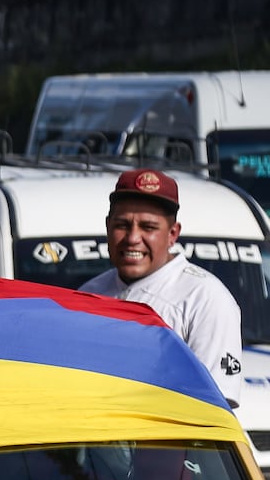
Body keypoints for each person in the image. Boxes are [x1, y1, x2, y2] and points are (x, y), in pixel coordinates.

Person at [79, 168, 242, 408]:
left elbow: (212, 407)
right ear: (107, 227)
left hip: (169, 443)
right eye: (122, 225)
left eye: (148, 227)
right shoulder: (89, 294)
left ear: (172, 234)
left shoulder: (205, 298)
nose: (133, 238)